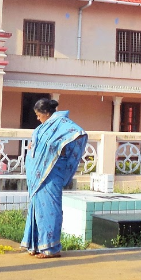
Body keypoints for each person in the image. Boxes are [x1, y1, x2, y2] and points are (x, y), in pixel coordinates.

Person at [21, 99, 87, 259]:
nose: (37, 118)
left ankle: (51, 248)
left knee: (50, 208)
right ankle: (37, 244)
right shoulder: (41, 128)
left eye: (38, 115)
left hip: (53, 172)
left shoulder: (63, 125)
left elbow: (79, 133)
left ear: (46, 113)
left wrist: (59, 148)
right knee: (37, 208)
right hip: (37, 175)